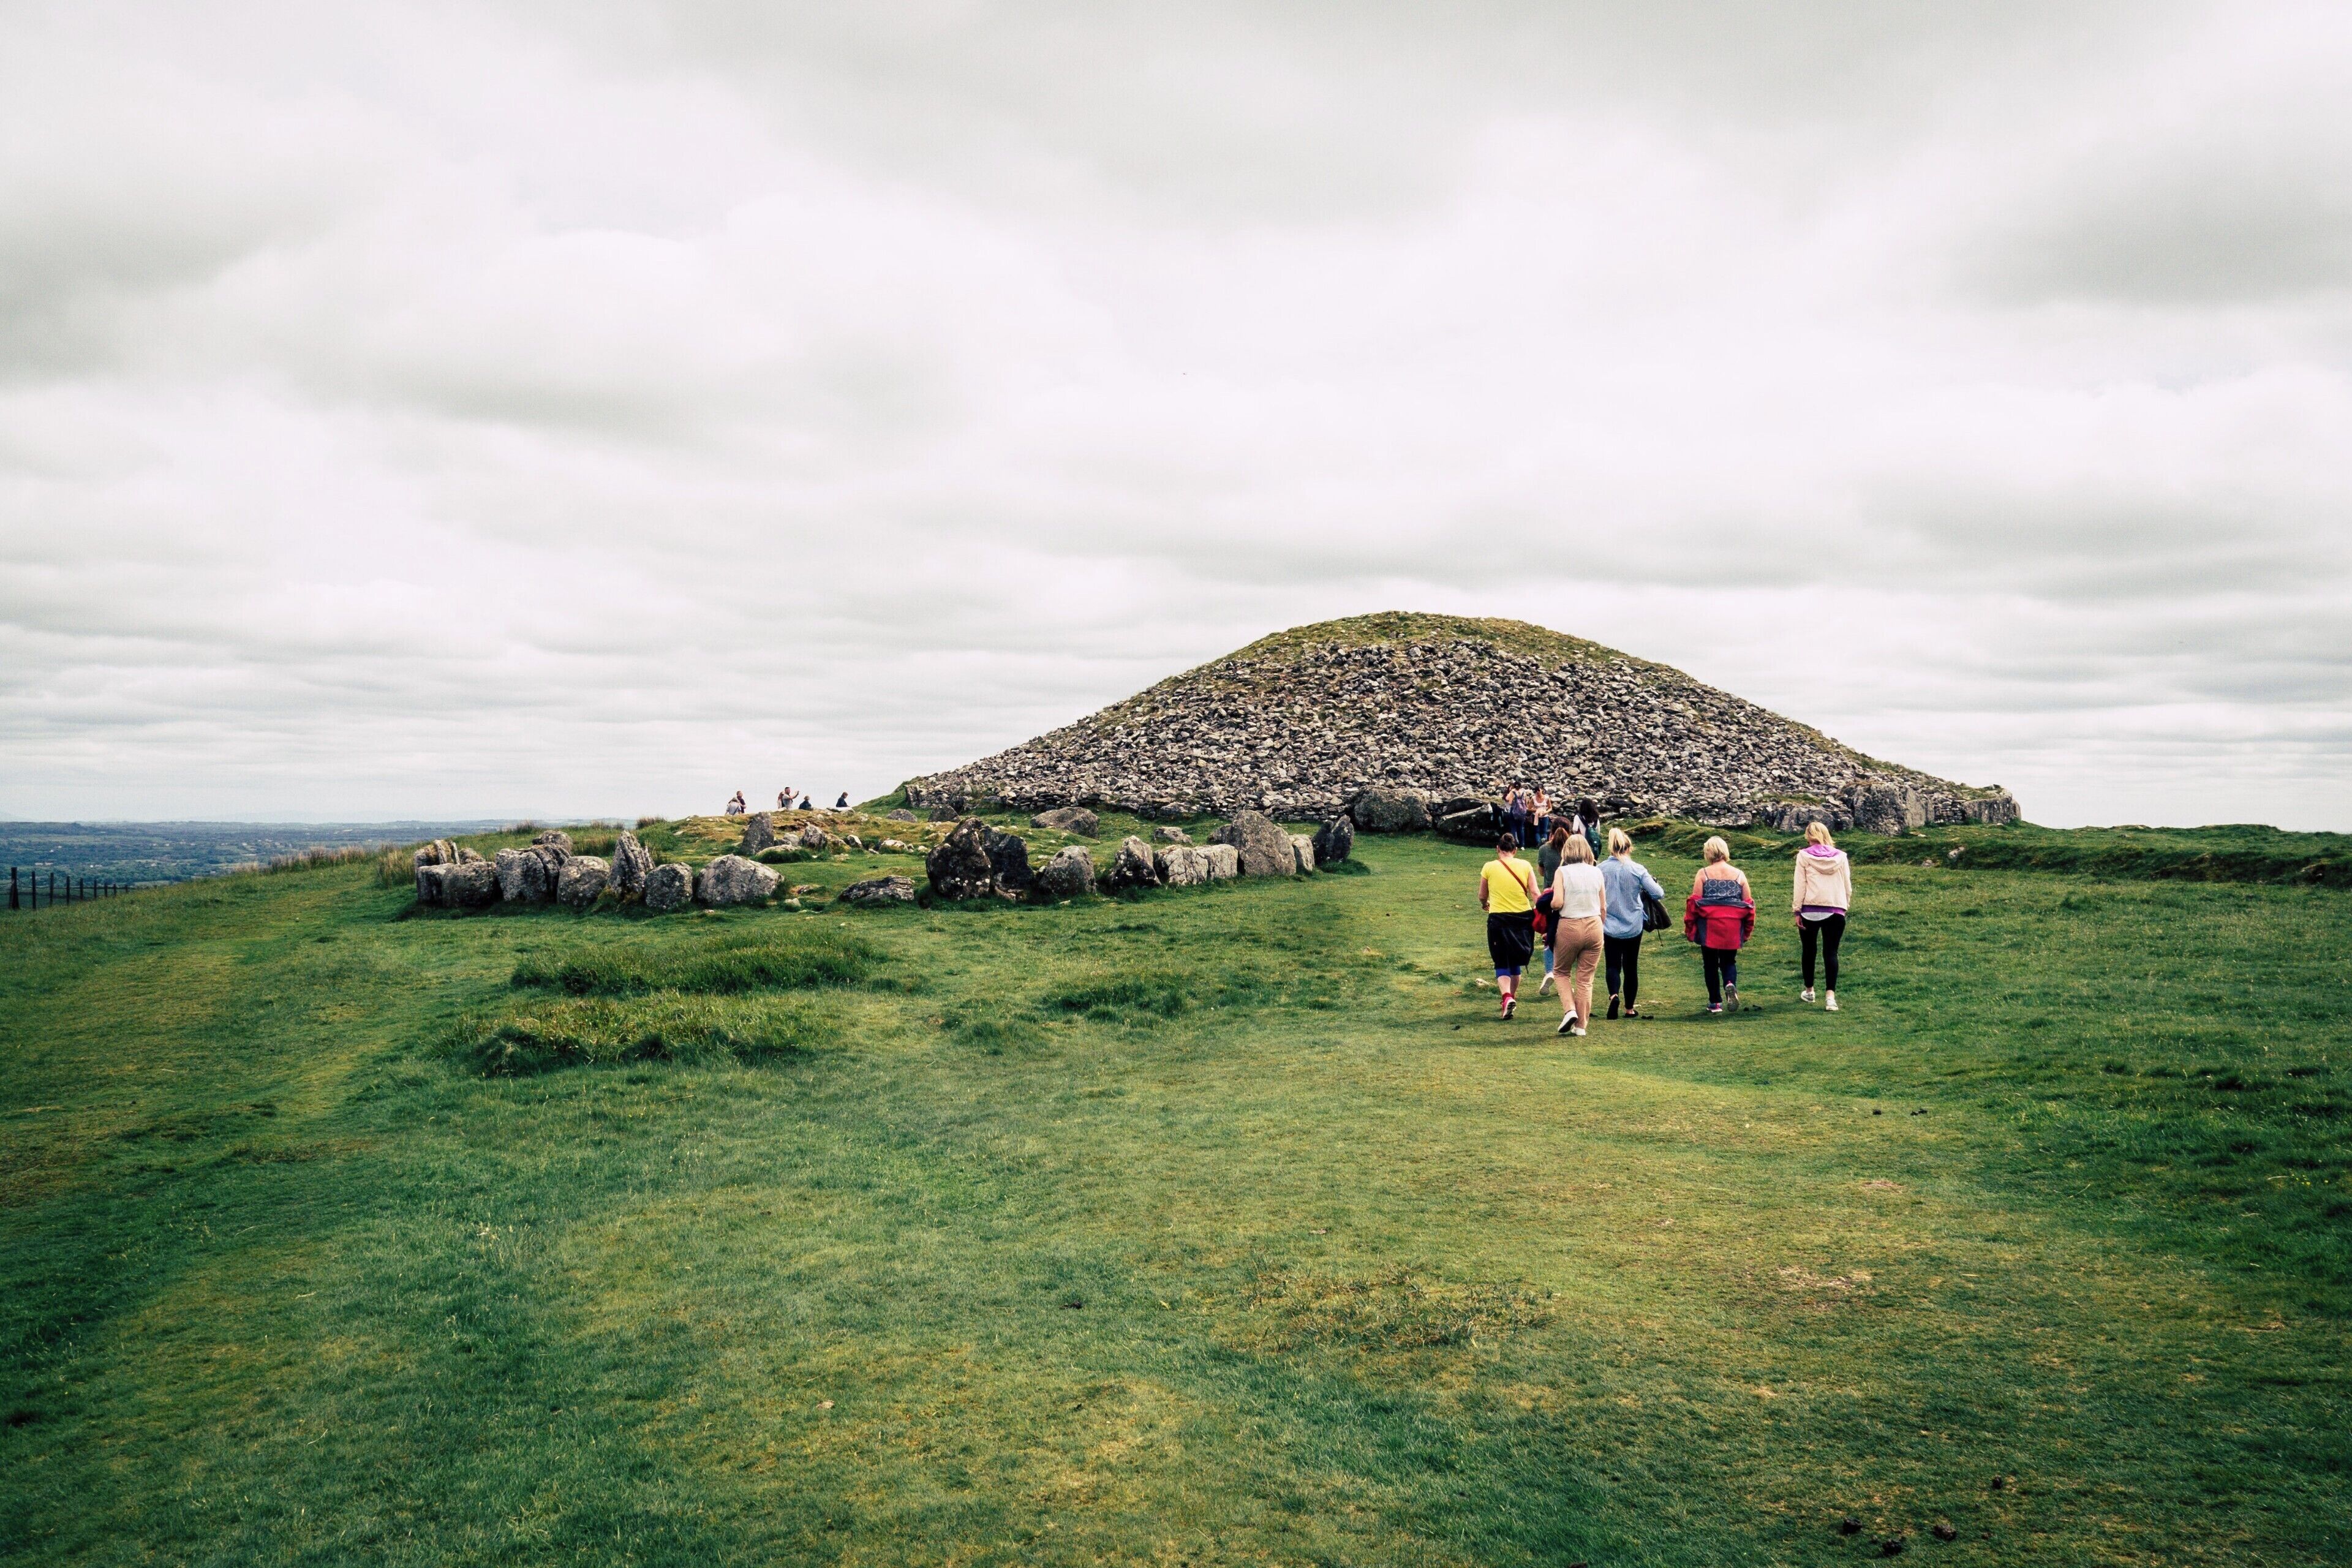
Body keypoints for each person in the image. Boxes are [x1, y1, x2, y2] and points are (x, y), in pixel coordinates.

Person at [1599, 827, 1666, 1019]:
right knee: (1631, 966)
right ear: (1628, 848)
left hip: (1609, 924)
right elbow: (1658, 893)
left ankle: (1613, 995)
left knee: (1612, 965)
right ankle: (1629, 1008)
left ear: (1611, 849)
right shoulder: (1637, 869)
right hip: (1633, 925)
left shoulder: (1601, 869)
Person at [1684, 837, 1755, 1014]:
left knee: (1710, 964)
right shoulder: (1739, 875)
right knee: (1729, 961)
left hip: (1709, 926)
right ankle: (1730, 983)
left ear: (1708, 852)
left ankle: (1715, 1003)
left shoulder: (1704, 874)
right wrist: (1747, 931)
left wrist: (1690, 927)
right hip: (1732, 925)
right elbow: (1748, 904)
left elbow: (1695, 903)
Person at [1791, 820, 1853, 1011]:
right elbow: (1847, 885)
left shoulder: (1803, 856)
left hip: (1810, 908)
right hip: (1835, 908)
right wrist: (1844, 905)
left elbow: (1800, 884)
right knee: (1831, 953)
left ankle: (1809, 991)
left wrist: (1797, 909)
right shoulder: (1841, 857)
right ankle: (1830, 998)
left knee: (1809, 951)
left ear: (1808, 838)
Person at [1548, 833, 1606, 1036]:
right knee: (1585, 978)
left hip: (1570, 924)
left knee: (1561, 972)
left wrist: (1550, 900)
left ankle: (1569, 1010)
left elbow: (1557, 903)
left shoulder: (1562, 872)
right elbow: (1603, 906)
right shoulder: (1596, 872)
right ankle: (1581, 1026)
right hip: (1595, 924)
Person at [1477, 834, 1539, 1020]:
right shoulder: (1526, 865)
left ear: (1498, 849)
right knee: (1515, 961)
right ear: (1515, 850)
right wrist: (1541, 910)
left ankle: (1506, 997)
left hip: (1499, 918)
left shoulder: (1489, 867)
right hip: (1523, 918)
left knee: (1501, 960)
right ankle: (1511, 997)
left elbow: (1482, 894)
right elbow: (1535, 892)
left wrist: (1484, 903)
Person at [1533, 824, 1569, 995]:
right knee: (1566, 937)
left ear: (1551, 833)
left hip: (1550, 898)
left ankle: (1550, 971)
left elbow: (1541, 872)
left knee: (1548, 936)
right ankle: (1565, 977)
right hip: (1570, 899)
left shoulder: (1544, 849)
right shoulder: (1573, 849)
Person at [1578, 797, 1603, 862]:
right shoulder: (1596, 818)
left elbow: (1575, 829)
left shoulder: (1578, 817)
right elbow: (1598, 831)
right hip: (1592, 843)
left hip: (1582, 841)